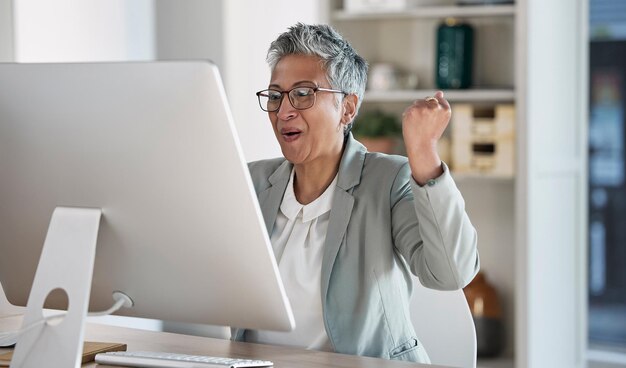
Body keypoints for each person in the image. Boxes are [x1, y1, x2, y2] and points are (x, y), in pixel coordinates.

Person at [232, 23, 479, 364]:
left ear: (347, 108)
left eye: (303, 93)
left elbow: (450, 273)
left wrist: (423, 153)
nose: (283, 111)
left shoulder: (389, 180)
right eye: (275, 95)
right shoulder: (251, 181)